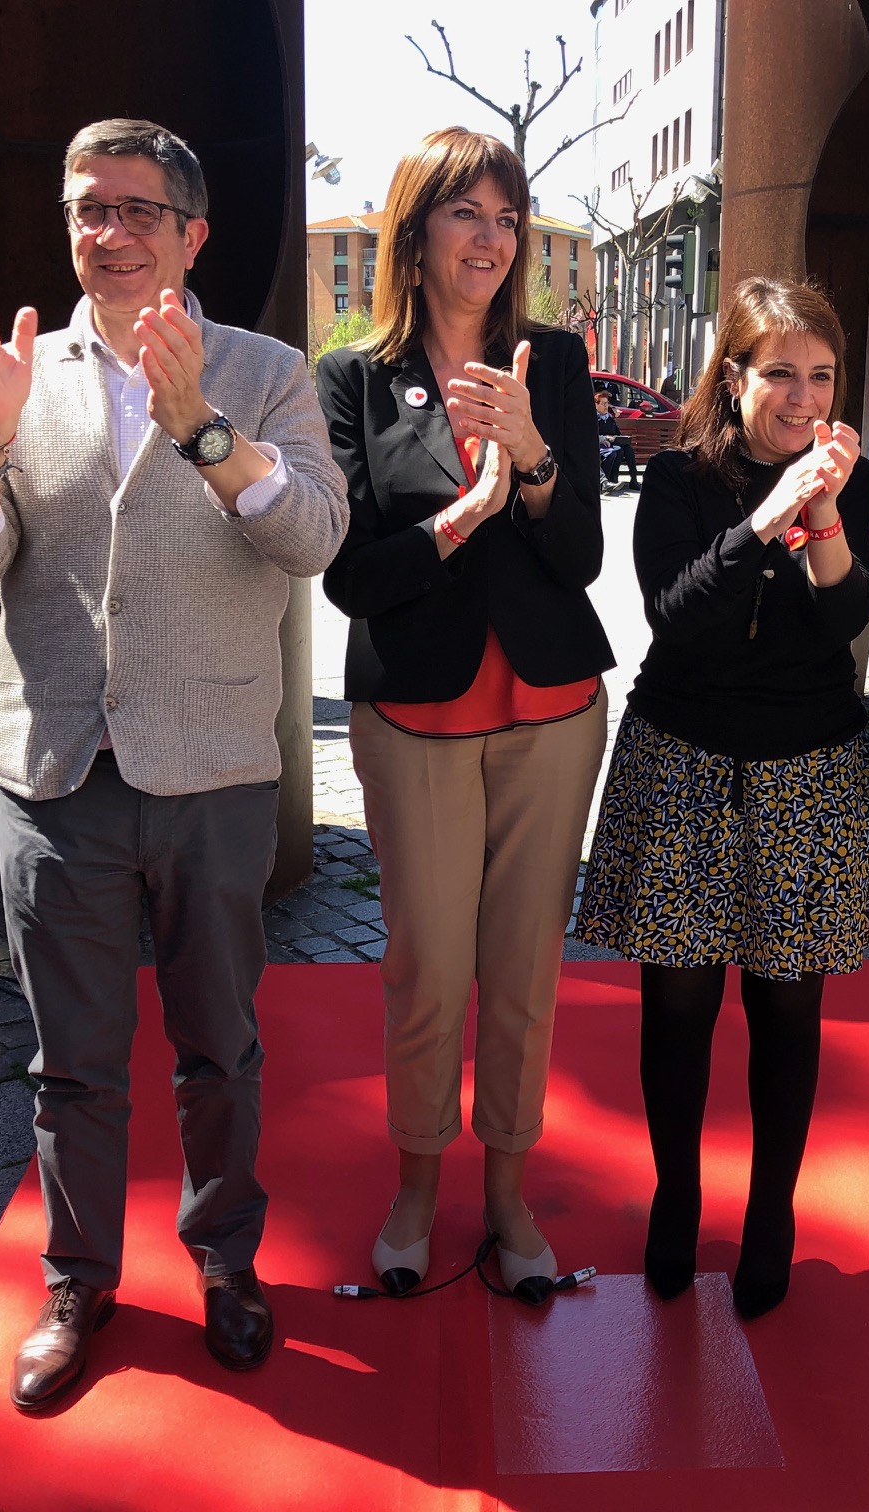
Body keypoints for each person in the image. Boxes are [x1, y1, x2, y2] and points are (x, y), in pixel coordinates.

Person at [0, 119, 348, 1411]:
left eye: (138, 209)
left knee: (220, 1046)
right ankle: (80, 1280)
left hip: (211, 769)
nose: (109, 232)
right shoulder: (13, 373)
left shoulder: (266, 371)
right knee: (73, 1059)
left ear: (194, 233)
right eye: (88, 208)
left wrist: (204, 428)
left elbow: (314, 537)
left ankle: (224, 1265)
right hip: (54, 773)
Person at [316, 127, 614, 1305]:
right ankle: (414, 1186)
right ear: (416, 232)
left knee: (525, 970)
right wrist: (461, 518)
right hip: (416, 718)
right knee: (429, 969)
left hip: (551, 710)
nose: (490, 239)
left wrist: (534, 462)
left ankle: (506, 1192)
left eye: (507, 218)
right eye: (465, 214)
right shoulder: (350, 377)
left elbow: (585, 555)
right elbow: (348, 575)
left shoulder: (558, 359)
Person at [577, 276, 869, 1321]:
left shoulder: (857, 474)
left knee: (787, 1004)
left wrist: (826, 516)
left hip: (806, 767)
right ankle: (678, 1193)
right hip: (684, 758)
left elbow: (849, 611)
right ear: (735, 377)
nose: (804, 398)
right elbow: (675, 616)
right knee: (677, 1002)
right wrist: (765, 517)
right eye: (780, 375)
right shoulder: (680, 480)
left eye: (822, 376)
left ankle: (771, 1210)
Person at [595, 388, 640, 491]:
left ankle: (634, 480)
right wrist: (605, 439)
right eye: (603, 404)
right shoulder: (594, 418)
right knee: (616, 451)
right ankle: (607, 481)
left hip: (612, 442)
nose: (606, 406)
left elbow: (616, 432)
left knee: (628, 449)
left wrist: (622, 438)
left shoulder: (609, 418)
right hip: (601, 444)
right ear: (596, 405)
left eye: (607, 403)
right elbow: (591, 435)